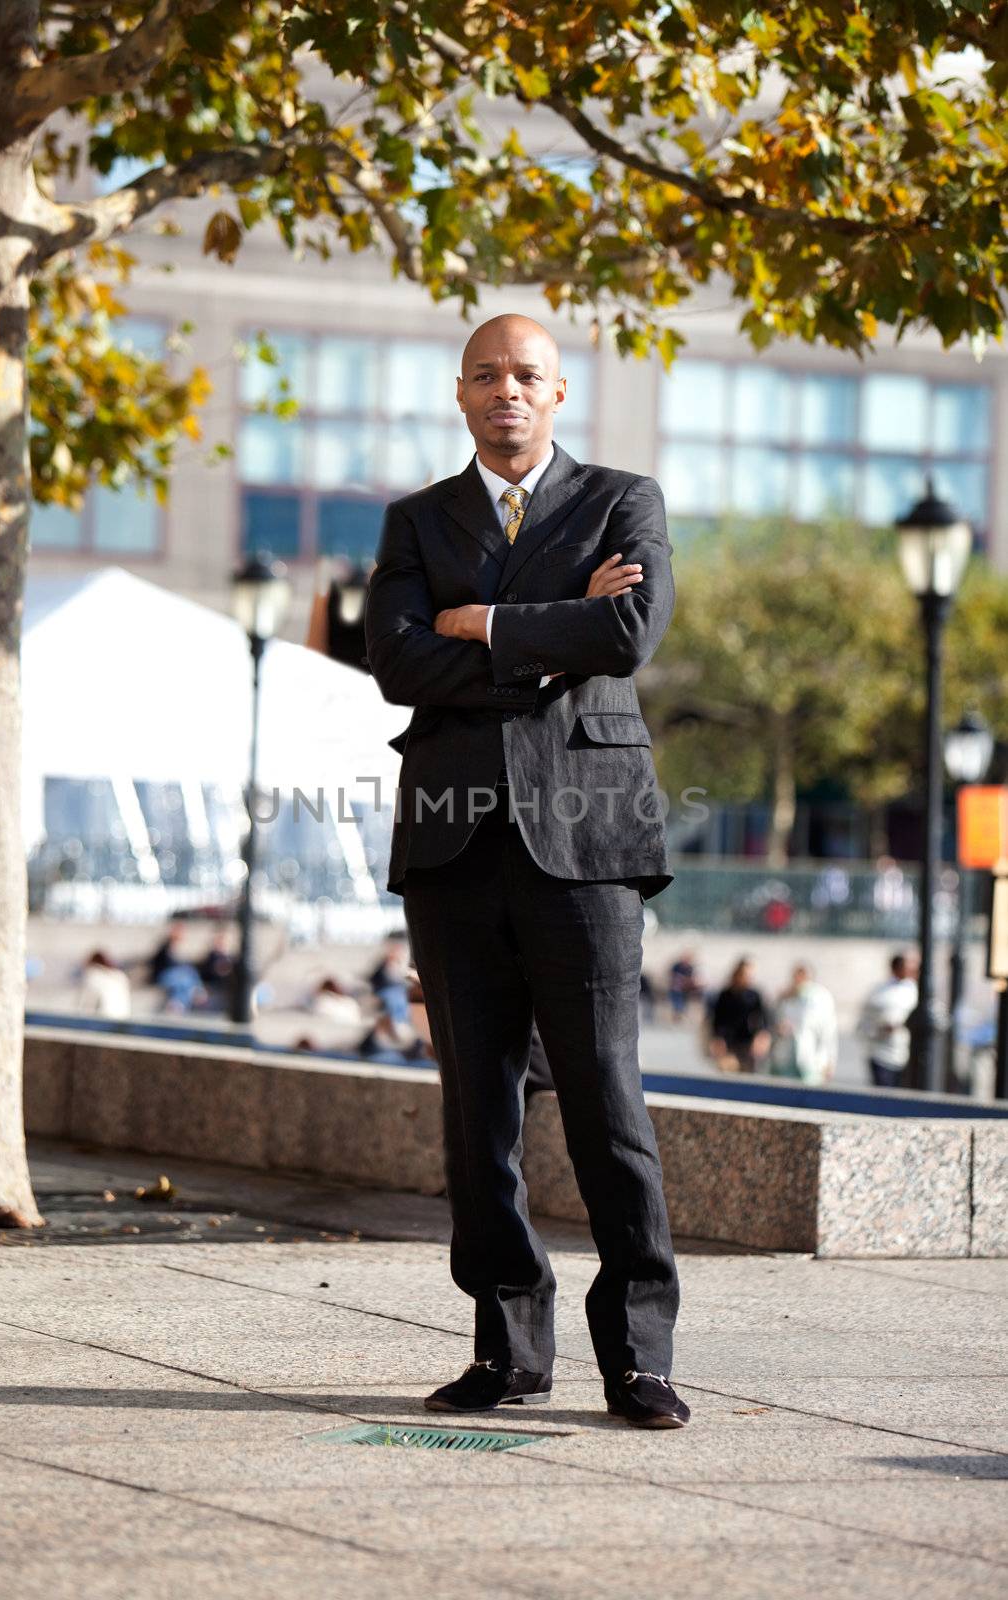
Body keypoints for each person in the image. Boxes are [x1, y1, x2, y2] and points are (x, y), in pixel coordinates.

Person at [364, 313, 687, 1430]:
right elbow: (394, 660)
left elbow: (632, 632)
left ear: (558, 395)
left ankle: (639, 1358)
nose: (508, 390)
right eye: (488, 375)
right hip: (454, 848)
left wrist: (490, 624)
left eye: (529, 376)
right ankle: (507, 1350)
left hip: (588, 842)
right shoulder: (417, 519)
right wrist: (554, 637)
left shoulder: (621, 497)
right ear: (461, 394)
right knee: (477, 1115)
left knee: (605, 1098)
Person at [858, 951, 919, 1088]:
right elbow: (865, 1020)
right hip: (881, 1054)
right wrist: (880, 1028)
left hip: (906, 1055)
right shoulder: (879, 991)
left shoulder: (914, 991)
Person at [770, 962, 838, 1084]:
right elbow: (773, 1023)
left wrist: (830, 1060)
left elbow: (828, 1032)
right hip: (785, 1059)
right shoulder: (785, 998)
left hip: (811, 1060)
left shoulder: (821, 997)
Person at [707, 958, 772, 1073]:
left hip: (748, 1042)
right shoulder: (725, 995)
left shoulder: (754, 995)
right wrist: (717, 1038)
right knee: (727, 1073)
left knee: (747, 1074)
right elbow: (717, 1019)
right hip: (728, 1042)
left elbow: (764, 1018)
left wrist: (762, 1037)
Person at [75, 950, 132, 1020]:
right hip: (123, 1019)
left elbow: (86, 1006)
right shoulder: (120, 975)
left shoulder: (93, 975)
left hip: (103, 1020)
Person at [667, 950, 702, 1023]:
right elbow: (672, 975)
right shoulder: (677, 966)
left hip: (685, 989)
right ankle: (677, 1016)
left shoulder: (690, 967)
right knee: (677, 1002)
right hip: (675, 988)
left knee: (683, 1002)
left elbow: (690, 978)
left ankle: (679, 1015)